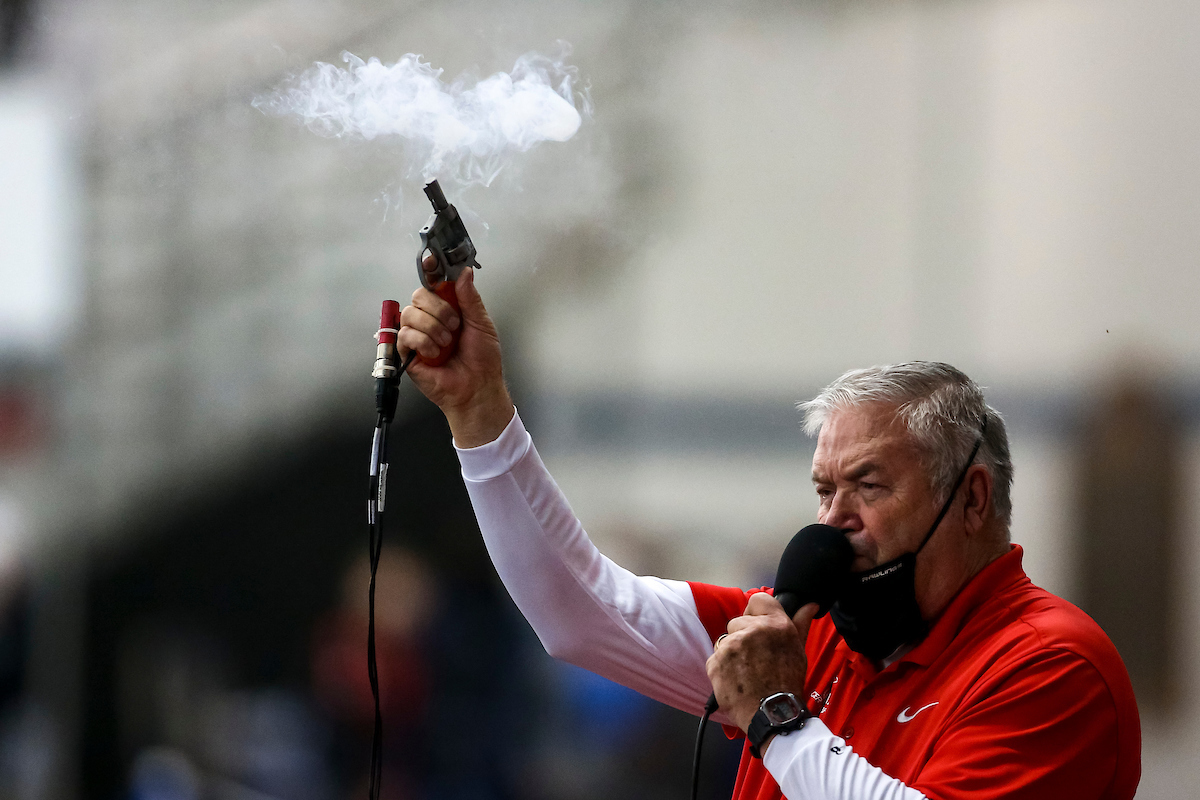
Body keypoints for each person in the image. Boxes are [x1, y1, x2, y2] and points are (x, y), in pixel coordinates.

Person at [396, 265, 1141, 800]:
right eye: (825, 490)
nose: (834, 519)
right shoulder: (809, 638)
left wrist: (781, 719)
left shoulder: (1054, 667)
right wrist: (480, 411)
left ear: (971, 497)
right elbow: (578, 612)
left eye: (869, 485)